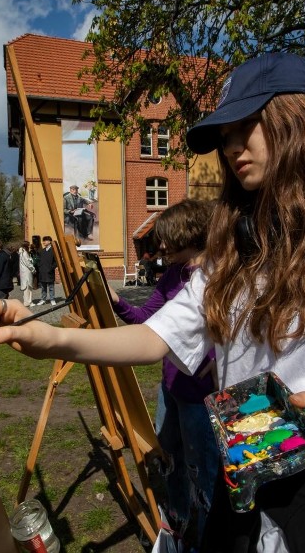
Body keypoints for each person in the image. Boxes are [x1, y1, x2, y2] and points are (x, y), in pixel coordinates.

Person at [0, 52, 305, 553]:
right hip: (241, 492)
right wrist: (47, 336)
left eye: (246, 125)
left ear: (299, 122)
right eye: (224, 136)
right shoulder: (231, 251)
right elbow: (153, 337)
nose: (232, 147)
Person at [110, 199, 218, 548]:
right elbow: (147, 322)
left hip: (201, 399)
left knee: (203, 472)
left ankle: (204, 538)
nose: (161, 247)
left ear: (191, 235)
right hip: (170, 387)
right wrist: (116, 302)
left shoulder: (221, 275)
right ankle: (177, 519)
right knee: (168, 455)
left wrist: (218, 357)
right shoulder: (173, 274)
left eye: (168, 240)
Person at [34, 236, 57, 306]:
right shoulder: (42, 251)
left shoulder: (53, 251)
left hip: (49, 272)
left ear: (49, 241)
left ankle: (52, 299)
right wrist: (40, 267)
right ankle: (43, 299)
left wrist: (51, 268)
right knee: (43, 287)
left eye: (45, 240)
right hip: (42, 272)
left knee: (51, 287)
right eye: (43, 241)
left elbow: (56, 262)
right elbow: (38, 260)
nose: (43, 242)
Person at [18, 241, 36, 307]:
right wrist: (33, 269)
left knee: (26, 288)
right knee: (28, 287)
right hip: (27, 272)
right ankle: (28, 302)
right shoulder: (24, 253)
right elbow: (28, 263)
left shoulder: (21, 252)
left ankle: (27, 301)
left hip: (24, 272)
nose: (29, 247)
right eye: (28, 245)